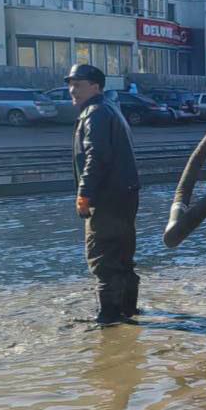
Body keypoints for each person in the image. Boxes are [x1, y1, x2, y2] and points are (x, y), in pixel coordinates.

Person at [68, 64, 141, 324]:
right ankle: (129, 310)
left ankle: (108, 318)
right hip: (125, 195)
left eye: (78, 84)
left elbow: (96, 157)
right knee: (122, 256)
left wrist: (84, 195)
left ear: (96, 86)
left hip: (107, 199)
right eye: (71, 84)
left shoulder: (95, 113)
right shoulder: (110, 109)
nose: (72, 90)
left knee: (102, 258)